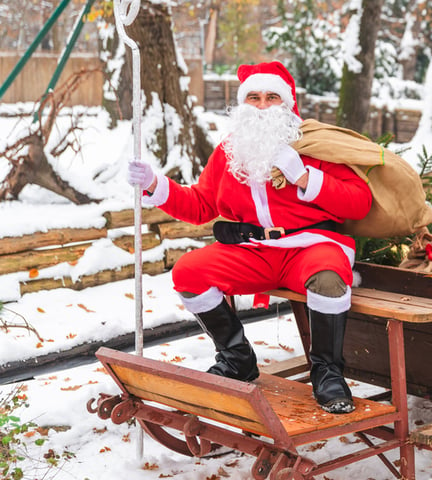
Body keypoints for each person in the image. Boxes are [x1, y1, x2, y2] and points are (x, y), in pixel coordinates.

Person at [127, 61, 372, 414]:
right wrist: (154, 184)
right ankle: (236, 358)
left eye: (272, 97)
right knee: (189, 272)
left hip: (312, 246)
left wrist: (304, 177)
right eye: (254, 97)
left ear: (287, 104)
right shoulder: (230, 152)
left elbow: (359, 203)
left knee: (329, 278)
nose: (261, 105)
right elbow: (200, 205)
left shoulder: (316, 146)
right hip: (255, 250)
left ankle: (328, 372)